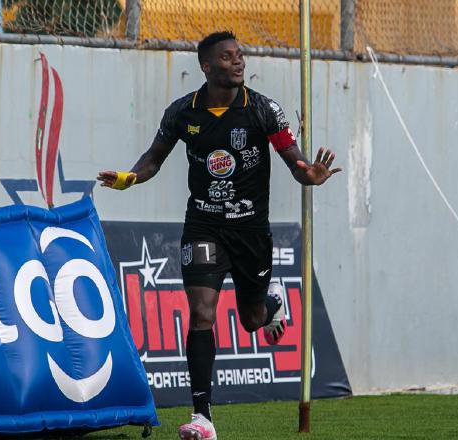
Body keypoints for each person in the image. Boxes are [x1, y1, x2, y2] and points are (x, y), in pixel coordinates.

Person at [97, 31, 341, 440]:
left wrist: (309, 175)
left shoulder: (264, 111)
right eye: (228, 57)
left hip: (250, 231)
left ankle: (269, 302)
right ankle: (202, 416)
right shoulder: (183, 113)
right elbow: (154, 158)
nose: (238, 62)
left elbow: (294, 160)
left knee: (250, 320)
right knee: (202, 313)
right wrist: (130, 177)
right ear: (207, 66)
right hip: (204, 225)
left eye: (240, 55)